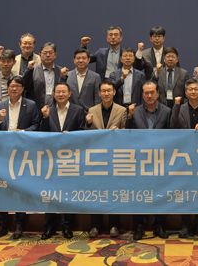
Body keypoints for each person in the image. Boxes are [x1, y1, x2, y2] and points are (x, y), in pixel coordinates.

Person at [0, 76, 41, 239]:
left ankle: (19, 226)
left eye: (18, 86)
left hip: (22, 153)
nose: (14, 88)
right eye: (12, 86)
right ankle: (2, 226)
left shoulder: (31, 105)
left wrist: (23, 132)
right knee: (2, 189)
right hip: (3, 154)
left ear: (22, 89)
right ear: (7, 88)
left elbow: (37, 125)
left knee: (20, 189)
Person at [39, 82, 85, 239]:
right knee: (50, 193)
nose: (60, 94)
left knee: (68, 193)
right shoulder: (47, 110)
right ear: (53, 94)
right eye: (57, 92)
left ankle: (67, 226)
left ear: (69, 93)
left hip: (70, 158)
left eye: (63, 91)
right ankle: (49, 226)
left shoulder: (78, 110)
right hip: (51, 158)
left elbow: (83, 132)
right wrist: (45, 118)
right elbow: (41, 134)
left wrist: (71, 137)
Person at [128, 81, 172, 240]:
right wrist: (129, 118)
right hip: (140, 160)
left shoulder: (167, 111)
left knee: (161, 192)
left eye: (152, 92)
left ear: (158, 93)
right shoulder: (135, 112)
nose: (149, 95)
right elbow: (127, 134)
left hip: (161, 159)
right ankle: (139, 226)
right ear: (142, 94)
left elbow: (173, 134)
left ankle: (159, 225)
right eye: (146, 93)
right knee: (139, 193)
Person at [172, 78, 198, 239]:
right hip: (183, 155)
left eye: (196, 89)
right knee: (184, 191)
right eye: (190, 89)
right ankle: (185, 224)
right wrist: (175, 106)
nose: (193, 92)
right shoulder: (179, 108)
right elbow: (172, 127)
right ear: (186, 92)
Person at [86, 79, 126, 238]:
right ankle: (95, 225)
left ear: (114, 92)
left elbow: (127, 133)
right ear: (99, 93)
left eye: (109, 90)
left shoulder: (122, 110)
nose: (106, 93)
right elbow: (86, 135)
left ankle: (114, 225)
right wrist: (88, 124)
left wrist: (120, 132)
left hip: (115, 157)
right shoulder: (92, 110)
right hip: (97, 158)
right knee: (96, 191)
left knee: (114, 191)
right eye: (103, 91)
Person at [23, 42, 67, 109]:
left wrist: (63, 77)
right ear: (40, 54)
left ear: (55, 55)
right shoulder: (33, 70)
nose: (48, 55)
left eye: (50, 53)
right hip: (36, 108)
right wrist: (28, 70)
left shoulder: (61, 71)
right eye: (45, 53)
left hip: (56, 108)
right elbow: (24, 87)